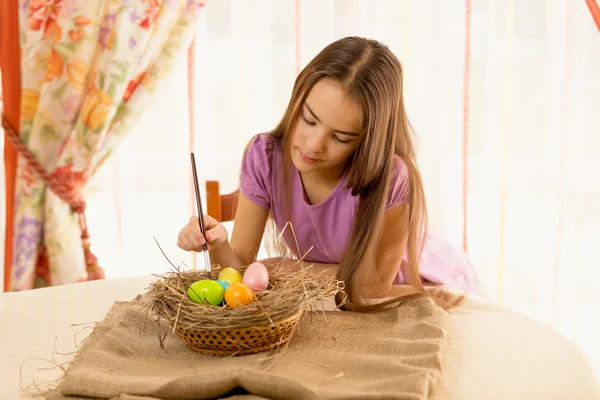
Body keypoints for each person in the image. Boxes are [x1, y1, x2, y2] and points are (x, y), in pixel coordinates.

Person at [178, 36, 477, 310]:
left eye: (341, 137)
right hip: (337, 294)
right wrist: (217, 243)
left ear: (367, 140)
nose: (314, 145)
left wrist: (284, 267)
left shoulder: (391, 177)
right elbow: (240, 271)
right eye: (309, 120)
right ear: (297, 100)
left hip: (419, 283)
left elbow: (371, 288)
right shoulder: (265, 157)